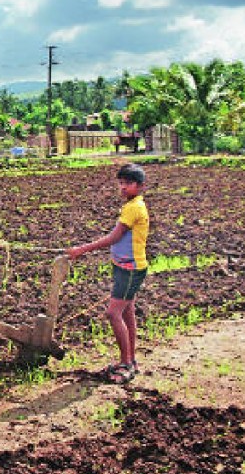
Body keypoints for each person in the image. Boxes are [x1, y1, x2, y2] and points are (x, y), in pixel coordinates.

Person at [67, 163, 149, 384]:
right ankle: (131, 360)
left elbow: (113, 237)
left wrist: (81, 250)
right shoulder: (132, 204)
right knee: (127, 312)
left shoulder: (134, 208)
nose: (123, 187)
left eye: (128, 183)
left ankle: (126, 364)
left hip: (130, 269)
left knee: (113, 314)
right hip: (124, 266)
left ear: (140, 186)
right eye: (121, 183)